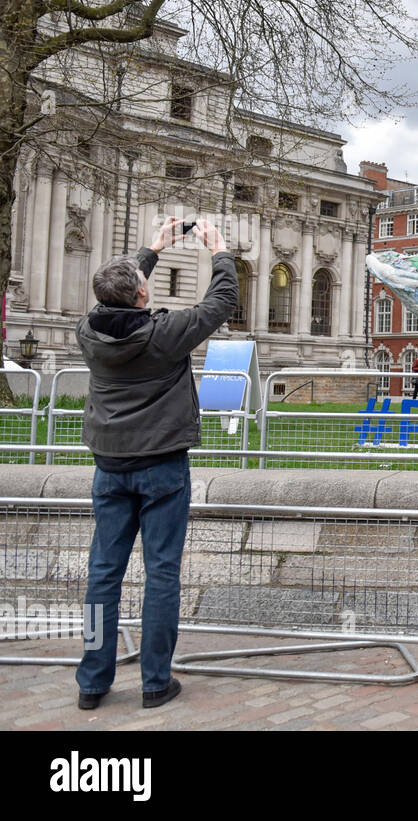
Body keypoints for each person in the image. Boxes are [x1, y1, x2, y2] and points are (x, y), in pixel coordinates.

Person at [75, 216, 237, 710]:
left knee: (103, 573)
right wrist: (219, 251)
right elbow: (221, 301)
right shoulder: (164, 333)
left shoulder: (87, 331)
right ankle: (154, 682)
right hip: (162, 464)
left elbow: (116, 298)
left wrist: (150, 249)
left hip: (111, 464)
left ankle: (92, 682)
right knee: (161, 572)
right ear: (144, 296)